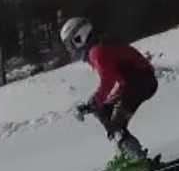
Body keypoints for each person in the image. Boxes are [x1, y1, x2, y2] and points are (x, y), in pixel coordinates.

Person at [59, 16, 158, 162]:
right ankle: (126, 150)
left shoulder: (97, 51)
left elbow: (108, 80)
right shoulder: (99, 46)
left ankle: (136, 157)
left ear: (79, 38)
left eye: (70, 44)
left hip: (140, 82)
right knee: (104, 111)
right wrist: (94, 104)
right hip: (136, 82)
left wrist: (95, 99)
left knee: (115, 122)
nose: (70, 49)